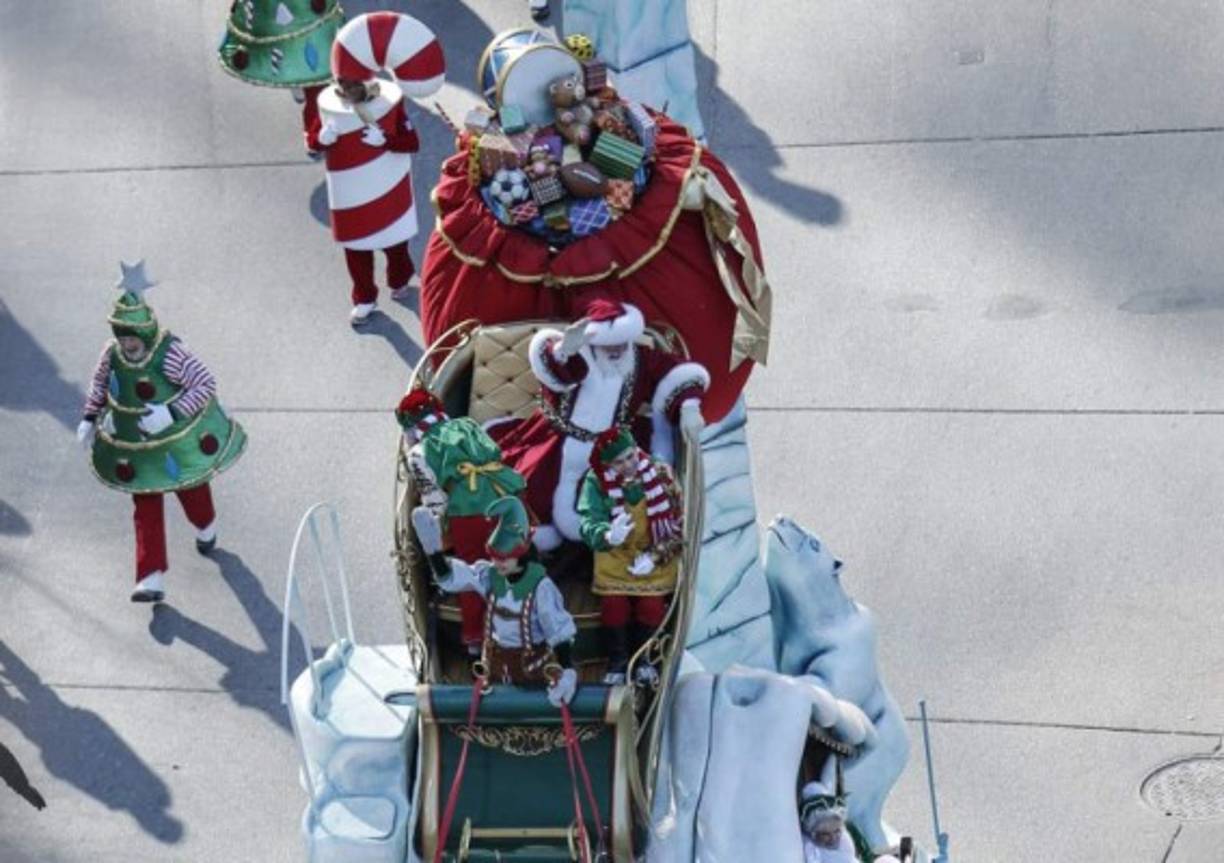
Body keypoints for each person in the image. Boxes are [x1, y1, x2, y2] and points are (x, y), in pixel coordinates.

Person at [76, 262, 246, 602]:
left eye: (132, 336)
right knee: (145, 504)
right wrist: (89, 417)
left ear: (145, 333)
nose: (128, 343)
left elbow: (204, 384)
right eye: (122, 336)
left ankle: (205, 525)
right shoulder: (111, 355)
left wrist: (170, 412)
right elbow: (99, 384)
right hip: (136, 448)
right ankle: (150, 576)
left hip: (178, 443)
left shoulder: (170, 355)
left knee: (192, 491)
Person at [493, 299, 708, 549]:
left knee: (622, 500)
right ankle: (537, 548)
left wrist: (690, 406)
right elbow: (556, 371)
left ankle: (599, 552)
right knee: (530, 490)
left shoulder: (641, 360)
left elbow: (675, 373)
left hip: (613, 449)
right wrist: (564, 351)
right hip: (556, 442)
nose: (616, 351)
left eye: (621, 344)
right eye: (608, 346)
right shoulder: (578, 356)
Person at [306, 11, 445, 325]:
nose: (345, 89)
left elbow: (411, 142)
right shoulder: (330, 106)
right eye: (341, 83)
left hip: (388, 193)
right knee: (356, 254)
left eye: (351, 84)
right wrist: (321, 138)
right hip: (349, 198)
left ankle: (399, 280)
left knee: (395, 246)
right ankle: (365, 297)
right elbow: (314, 140)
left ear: (366, 84)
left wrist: (386, 139)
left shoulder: (389, 105)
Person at [396, 388, 527, 656]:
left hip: (466, 514)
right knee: (511, 564)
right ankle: (520, 630)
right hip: (501, 497)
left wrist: (441, 525)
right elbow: (494, 453)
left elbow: (435, 499)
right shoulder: (467, 425)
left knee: (471, 573)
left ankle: (476, 640)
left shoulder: (419, 453)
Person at [413, 497, 578, 705]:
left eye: (504, 557)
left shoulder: (541, 588)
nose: (497, 563)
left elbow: (559, 632)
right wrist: (434, 552)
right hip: (495, 669)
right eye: (494, 556)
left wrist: (567, 673)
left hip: (534, 675)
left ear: (522, 554)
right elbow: (453, 578)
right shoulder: (490, 576)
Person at [577, 428, 682, 684]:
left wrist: (655, 557)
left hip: (654, 551)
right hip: (614, 555)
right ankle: (618, 661)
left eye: (630, 456)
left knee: (652, 606)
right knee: (614, 606)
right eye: (619, 462)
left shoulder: (661, 474)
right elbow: (588, 520)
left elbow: (679, 523)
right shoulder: (596, 481)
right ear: (608, 464)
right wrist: (607, 534)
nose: (628, 465)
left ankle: (645, 659)